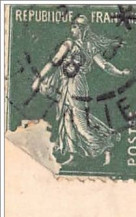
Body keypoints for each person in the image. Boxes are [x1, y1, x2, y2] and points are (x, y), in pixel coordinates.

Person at [31, 15, 130, 166]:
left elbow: (105, 65)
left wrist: (120, 72)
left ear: (82, 29)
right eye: (72, 26)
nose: (72, 29)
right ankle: (72, 154)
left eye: (75, 27)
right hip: (64, 83)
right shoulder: (68, 44)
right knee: (67, 117)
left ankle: (105, 146)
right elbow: (54, 61)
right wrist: (39, 78)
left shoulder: (90, 47)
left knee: (79, 120)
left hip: (77, 85)